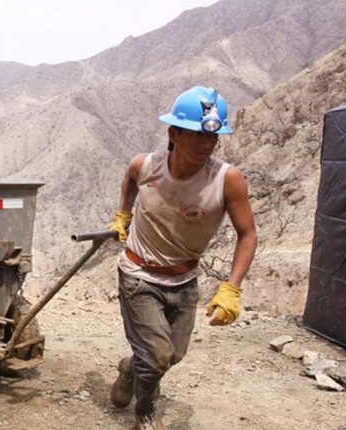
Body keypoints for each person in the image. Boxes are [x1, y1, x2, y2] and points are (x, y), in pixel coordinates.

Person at [107, 86, 257, 430]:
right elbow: (130, 178)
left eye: (213, 137)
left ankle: (131, 367)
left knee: (172, 355)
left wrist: (231, 288)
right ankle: (145, 414)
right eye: (197, 136)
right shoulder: (146, 165)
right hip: (138, 275)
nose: (207, 146)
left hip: (185, 279)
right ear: (173, 132)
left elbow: (247, 234)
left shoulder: (226, 179)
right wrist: (123, 214)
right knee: (158, 355)